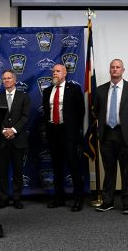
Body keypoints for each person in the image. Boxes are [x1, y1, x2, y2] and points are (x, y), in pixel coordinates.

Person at [94, 59, 128, 214]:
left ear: (123, 70)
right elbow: (96, 110)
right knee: (109, 170)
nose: (115, 69)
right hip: (107, 135)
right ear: (109, 70)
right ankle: (108, 201)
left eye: (118, 67)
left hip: (125, 136)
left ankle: (127, 204)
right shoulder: (100, 90)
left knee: (127, 171)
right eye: (112, 67)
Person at [42, 64, 85, 212]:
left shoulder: (74, 89)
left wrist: (74, 130)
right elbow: (46, 112)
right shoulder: (47, 91)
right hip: (53, 132)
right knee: (56, 166)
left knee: (73, 165)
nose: (55, 73)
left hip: (69, 133)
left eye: (58, 71)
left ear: (65, 73)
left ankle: (78, 198)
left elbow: (81, 112)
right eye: (53, 71)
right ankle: (59, 197)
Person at [0, 70, 30, 209]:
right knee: (1, 172)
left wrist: (13, 130)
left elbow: (25, 116)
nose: (6, 80)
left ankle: (17, 198)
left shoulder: (24, 97)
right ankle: (2, 198)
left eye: (9, 78)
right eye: (4, 78)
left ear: (14, 80)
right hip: (2, 140)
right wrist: (4, 130)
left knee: (18, 171)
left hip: (18, 139)